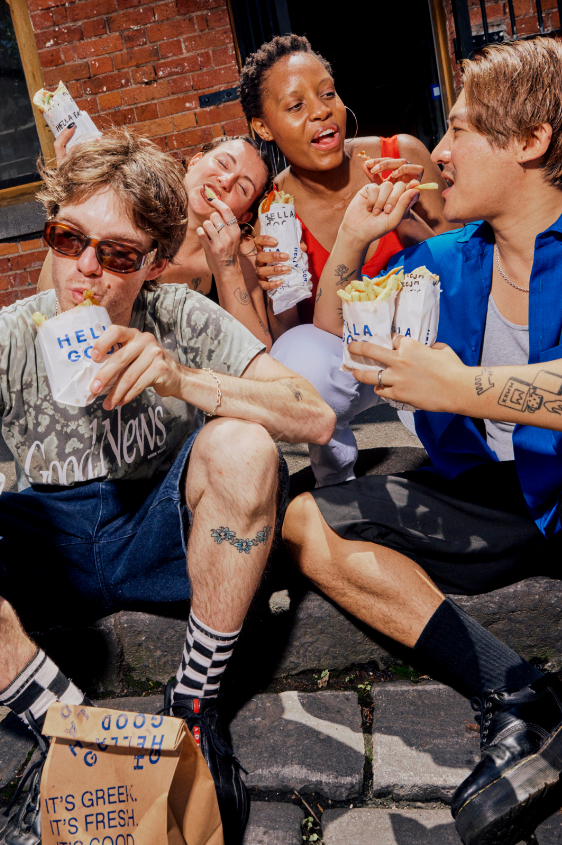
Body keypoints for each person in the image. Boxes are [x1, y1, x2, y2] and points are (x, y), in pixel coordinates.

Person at [0, 129, 335, 845]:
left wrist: (183, 378)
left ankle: (193, 707)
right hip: (46, 546)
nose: (86, 269)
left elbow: (313, 413)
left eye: (117, 254)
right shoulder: (14, 334)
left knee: (244, 443)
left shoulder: (179, 316)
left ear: (152, 263)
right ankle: (68, 733)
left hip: (152, 533)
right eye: (69, 239)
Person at [284, 37, 562, 845]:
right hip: (501, 498)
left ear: (532, 140)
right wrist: (349, 243)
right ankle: (515, 695)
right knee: (309, 519)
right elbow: (336, 351)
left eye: (465, 129)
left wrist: (463, 386)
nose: (437, 153)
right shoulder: (444, 257)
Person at [238, 34, 452, 485]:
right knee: (297, 359)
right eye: (296, 106)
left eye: (328, 93)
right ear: (263, 126)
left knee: (465, 467)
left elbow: (467, 271)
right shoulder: (273, 212)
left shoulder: (401, 156)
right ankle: (335, 478)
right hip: (350, 357)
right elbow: (290, 345)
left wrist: (406, 217)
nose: (322, 111)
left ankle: (470, 457)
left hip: (433, 341)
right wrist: (277, 288)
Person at [38, 133, 275, 349]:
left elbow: (259, 353)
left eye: (243, 188)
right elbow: (49, 302)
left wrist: (227, 269)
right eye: (222, 163)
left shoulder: (243, 253)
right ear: (194, 162)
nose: (226, 181)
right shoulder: (127, 217)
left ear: (243, 216)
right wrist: (74, 205)